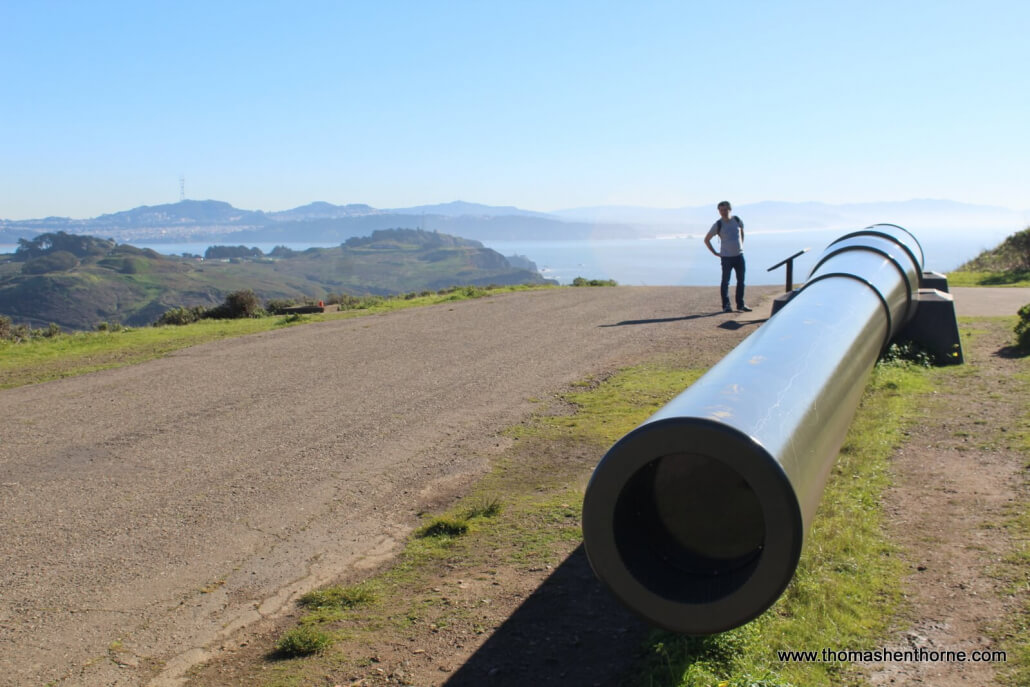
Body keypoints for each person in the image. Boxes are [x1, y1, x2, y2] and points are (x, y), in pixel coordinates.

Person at [704, 200, 752, 313]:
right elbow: (707, 240)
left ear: (730, 209)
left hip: (739, 256)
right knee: (725, 281)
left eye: (725, 209)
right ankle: (726, 306)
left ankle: (740, 304)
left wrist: (741, 245)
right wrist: (715, 253)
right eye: (721, 210)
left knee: (741, 281)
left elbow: (741, 232)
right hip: (726, 258)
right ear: (719, 211)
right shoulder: (718, 224)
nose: (723, 212)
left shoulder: (737, 220)